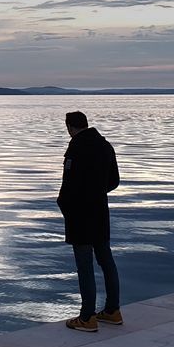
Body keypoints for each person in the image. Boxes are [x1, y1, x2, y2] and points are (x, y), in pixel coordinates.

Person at [57, 111, 121, 332]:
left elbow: (68, 184)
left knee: (84, 266)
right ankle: (112, 310)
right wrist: (97, 193)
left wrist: (64, 206)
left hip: (80, 215)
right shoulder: (105, 146)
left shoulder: (76, 147)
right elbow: (115, 180)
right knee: (106, 260)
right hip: (100, 212)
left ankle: (87, 317)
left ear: (69, 127)